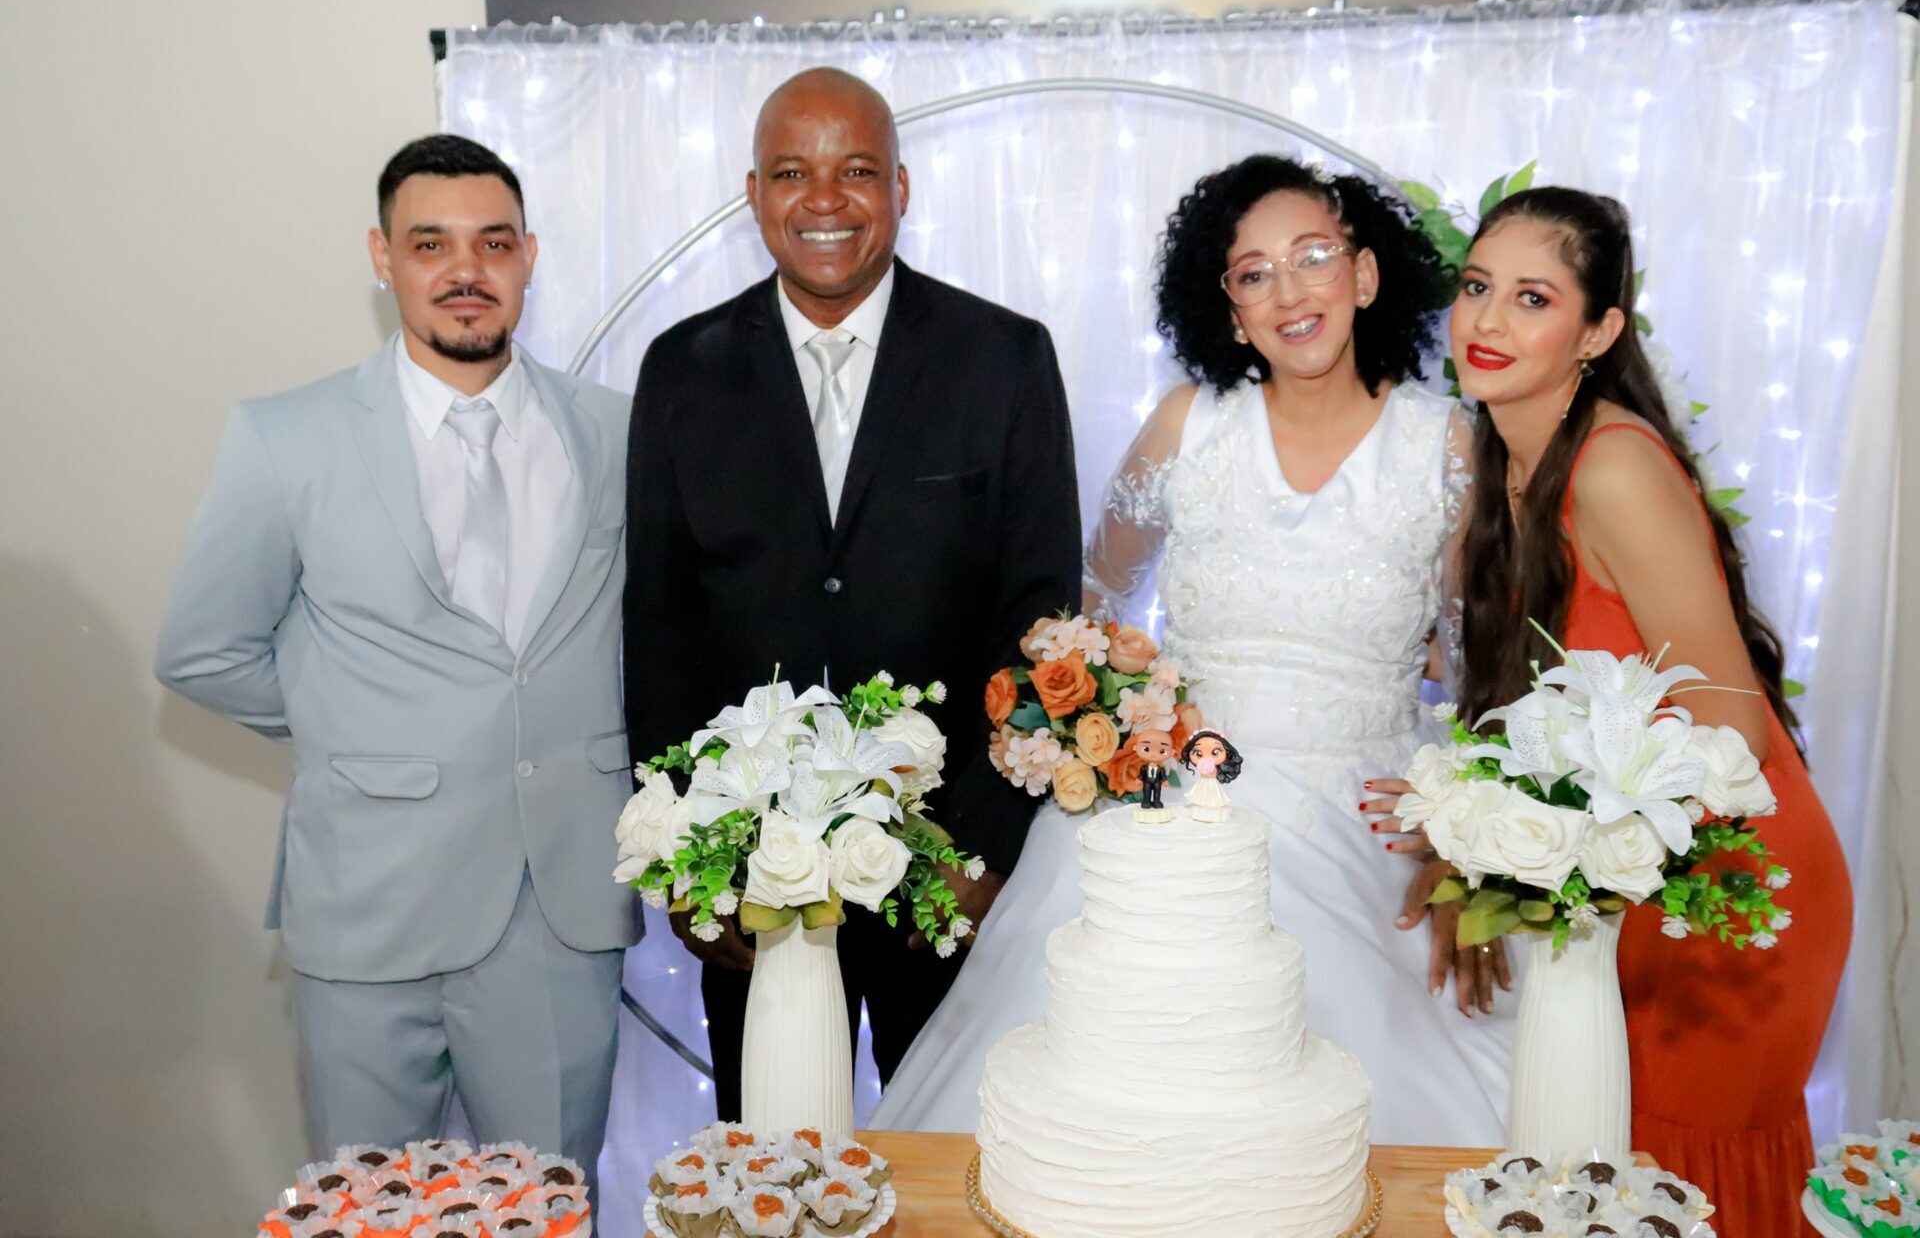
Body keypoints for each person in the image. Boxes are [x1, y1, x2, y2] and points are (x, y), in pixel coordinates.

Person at [871, 155, 1515, 1142]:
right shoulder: (1189, 425)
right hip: (1175, 800)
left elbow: (1480, 672)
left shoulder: (1448, 442)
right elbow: (1087, 610)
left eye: (1313, 258)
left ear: (1365, 275)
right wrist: (1106, 715)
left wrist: (1456, 834)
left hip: (1367, 816)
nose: (1289, 291)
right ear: (1230, 309)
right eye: (1255, 273)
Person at [155, 136, 636, 1180]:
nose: (466, 270)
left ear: (528, 256)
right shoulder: (286, 437)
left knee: (553, 1206)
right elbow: (203, 649)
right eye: (431, 244)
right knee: (366, 1210)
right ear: (383, 258)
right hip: (367, 904)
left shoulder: (618, 432)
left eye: (493, 243)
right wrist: (357, 726)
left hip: (556, 910)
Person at [624, 67, 1081, 1119]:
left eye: (857, 171)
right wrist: (689, 858)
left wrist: (982, 851)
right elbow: (659, 629)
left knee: (959, 1161)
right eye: (792, 173)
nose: (824, 200)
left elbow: (1038, 617)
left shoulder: (1004, 357)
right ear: (753, 194)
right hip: (753, 880)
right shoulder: (682, 368)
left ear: (901, 188)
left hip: (943, 873)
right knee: (776, 1168)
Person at [1393, 185, 1851, 1235]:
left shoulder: (1612, 465)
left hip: (1726, 883)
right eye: (1476, 287)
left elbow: (1731, 725)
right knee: (1602, 1172)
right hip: (1622, 883)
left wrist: (1524, 833)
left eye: (1533, 298)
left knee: (1676, 1179)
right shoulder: (1499, 465)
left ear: (1598, 332)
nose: (1488, 320)